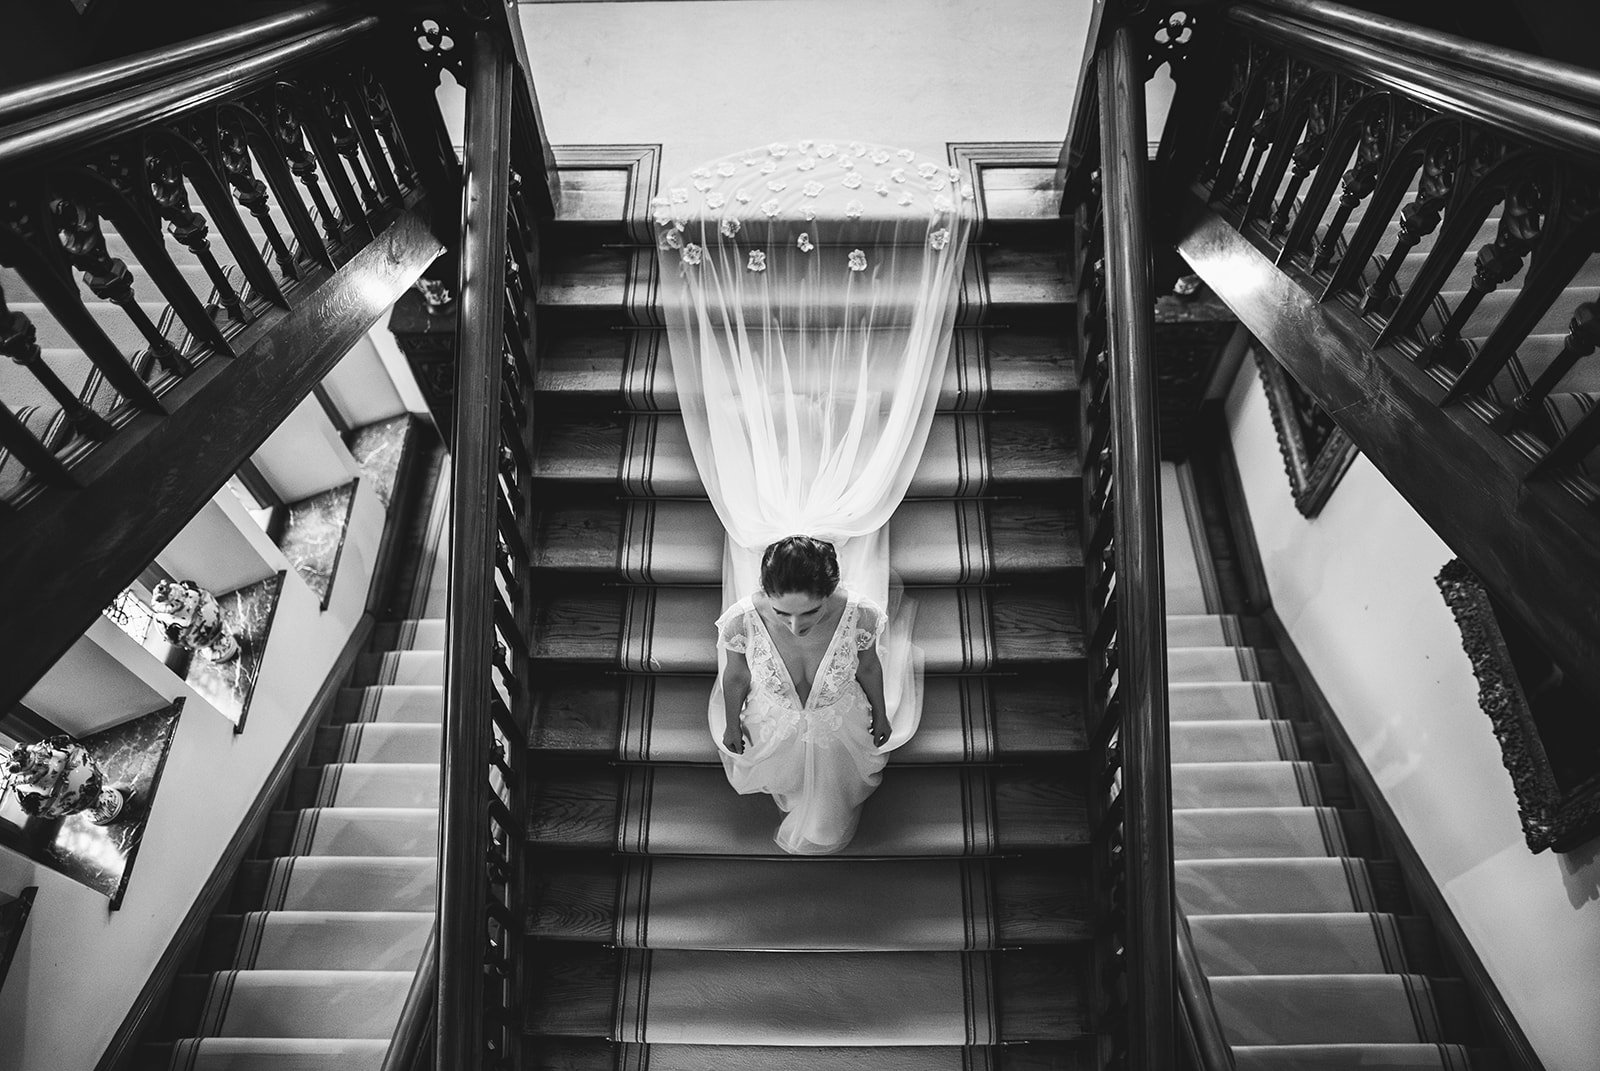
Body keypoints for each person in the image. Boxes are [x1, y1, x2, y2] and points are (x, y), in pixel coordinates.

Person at [711, 536, 893, 855]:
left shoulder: (860, 614)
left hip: (838, 720)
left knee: (828, 803)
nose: (796, 626)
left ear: (830, 593)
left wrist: (880, 713)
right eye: (783, 614)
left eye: (810, 612)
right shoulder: (741, 620)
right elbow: (737, 675)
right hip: (773, 720)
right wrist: (732, 724)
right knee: (787, 774)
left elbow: (868, 667)